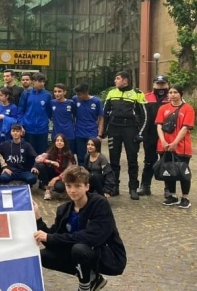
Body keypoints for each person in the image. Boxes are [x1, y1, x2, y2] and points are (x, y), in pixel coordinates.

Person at [34, 165, 127, 291]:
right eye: (69, 186)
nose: (72, 190)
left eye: (77, 186)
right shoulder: (64, 209)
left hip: (108, 255)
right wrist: (38, 219)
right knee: (44, 255)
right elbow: (54, 241)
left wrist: (51, 237)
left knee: (80, 248)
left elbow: (92, 237)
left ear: (87, 186)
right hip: (83, 252)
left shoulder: (99, 204)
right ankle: (93, 278)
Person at [100, 71, 147, 200]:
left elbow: (144, 115)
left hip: (130, 129)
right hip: (114, 128)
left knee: (132, 159)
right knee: (114, 160)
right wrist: (103, 130)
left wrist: (140, 133)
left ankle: (133, 188)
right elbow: (105, 113)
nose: (115, 81)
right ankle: (114, 187)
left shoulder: (137, 93)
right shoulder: (111, 93)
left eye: (117, 78)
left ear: (125, 80)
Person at [156, 84, 194, 209]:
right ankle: (172, 195)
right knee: (168, 171)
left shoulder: (188, 109)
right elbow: (159, 125)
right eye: (170, 92)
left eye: (175, 92)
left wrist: (175, 143)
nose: (172, 95)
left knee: (183, 171)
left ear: (181, 94)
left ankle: (185, 197)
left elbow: (185, 127)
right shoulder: (163, 108)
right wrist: (163, 141)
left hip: (182, 146)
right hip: (165, 146)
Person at [138, 75, 170, 197]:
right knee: (149, 160)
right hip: (150, 134)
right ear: (153, 85)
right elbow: (140, 116)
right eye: (158, 84)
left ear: (167, 85)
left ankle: (168, 188)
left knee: (167, 161)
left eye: (163, 84)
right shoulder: (146, 98)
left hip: (167, 135)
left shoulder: (172, 97)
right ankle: (145, 186)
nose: (160, 87)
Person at [35, 134, 77, 200]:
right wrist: (51, 162)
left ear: (65, 143)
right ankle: (47, 190)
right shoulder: (51, 152)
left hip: (62, 175)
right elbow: (37, 159)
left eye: (61, 141)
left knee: (59, 188)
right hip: (52, 172)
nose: (59, 142)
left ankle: (63, 187)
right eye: (57, 140)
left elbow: (69, 170)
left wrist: (56, 179)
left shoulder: (69, 155)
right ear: (54, 142)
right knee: (40, 165)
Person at [18, 72, 51, 155]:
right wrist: (21, 125)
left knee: (42, 153)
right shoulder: (26, 93)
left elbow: (49, 111)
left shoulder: (47, 95)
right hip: (28, 128)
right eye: (39, 81)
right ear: (33, 81)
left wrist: (45, 121)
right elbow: (21, 110)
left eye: (43, 82)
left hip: (42, 129)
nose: (42, 84)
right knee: (29, 153)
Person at [73, 83, 104, 166]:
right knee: (81, 158)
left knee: (95, 157)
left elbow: (101, 118)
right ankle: (82, 173)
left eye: (79, 94)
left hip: (92, 133)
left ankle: (94, 173)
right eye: (77, 94)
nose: (78, 96)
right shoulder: (75, 99)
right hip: (79, 133)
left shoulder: (96, 101)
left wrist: (100, 135)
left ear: (86, 93)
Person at [51, 83, 76, 149]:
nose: (57, 94)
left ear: (64, 92)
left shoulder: (71, 103)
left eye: (59, 91)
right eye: (55, 91)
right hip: (56, 134)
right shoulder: (51, 103)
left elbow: (75, 115)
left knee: (69, 153)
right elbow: (49, 115)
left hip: (69, 134)